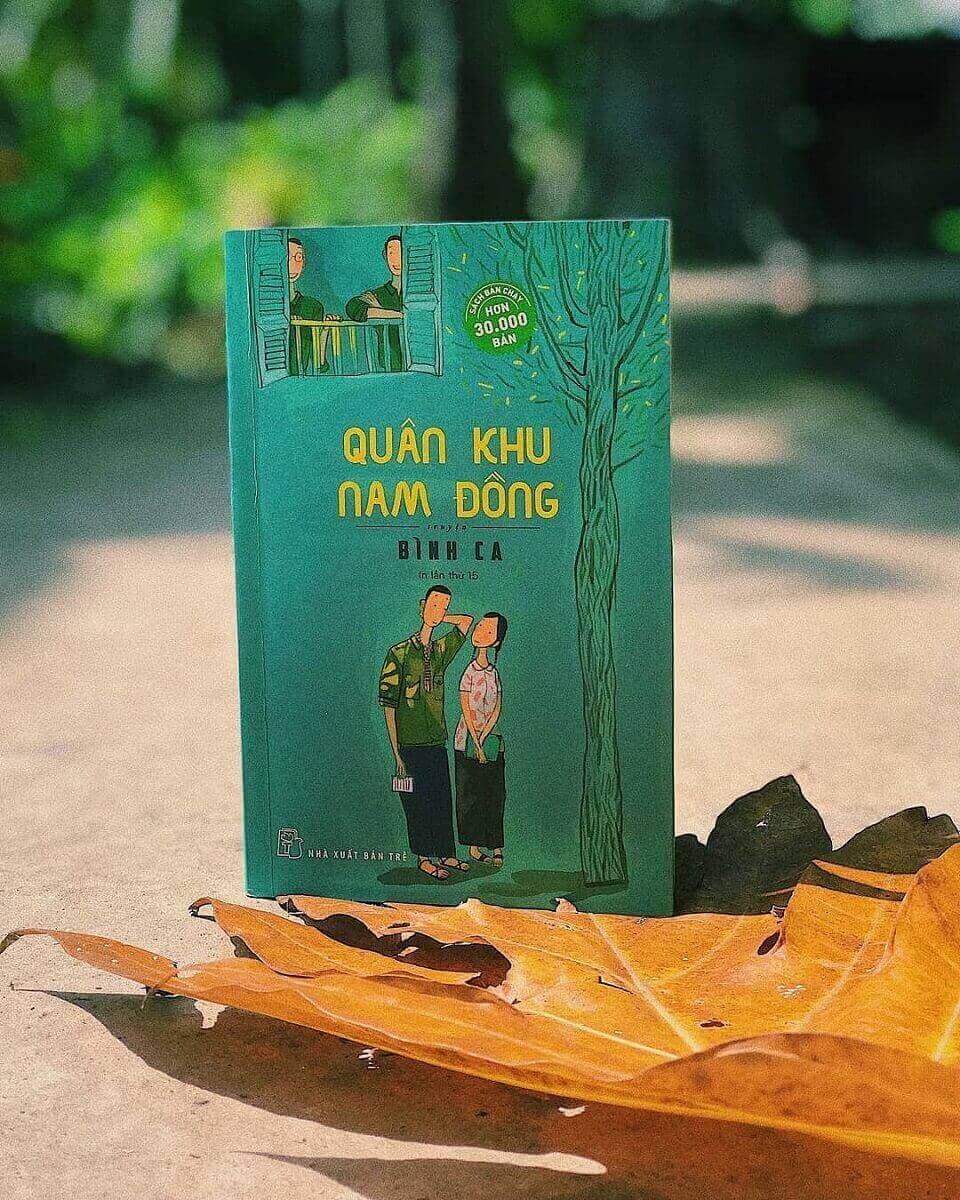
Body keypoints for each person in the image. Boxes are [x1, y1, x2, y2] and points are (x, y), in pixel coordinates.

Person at [378, 586, 473, 880]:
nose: (438, 611)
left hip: (436, 740)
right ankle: (423, 859)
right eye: (433, 605)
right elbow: (389, 706)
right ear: (421, 607)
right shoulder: (399, 653)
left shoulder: (441, 650)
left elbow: (466, 622)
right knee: (417, 803)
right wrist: (396, 754)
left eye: (444, 607)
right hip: (409, 745)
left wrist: (442, 618)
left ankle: (446, 854)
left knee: (441, 798)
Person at [454, 612, 508, 868]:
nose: (479, 632)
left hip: (490, 742)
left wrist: (485, 737)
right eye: (479, 627)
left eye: (488, 631)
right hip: (466, 741)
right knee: (470, 796)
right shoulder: (469, 672)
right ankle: (474, 849)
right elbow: (465, 709)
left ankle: (496, 846)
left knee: (494, 795)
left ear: (495, 641)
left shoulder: (494, 673)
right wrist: (476, 743)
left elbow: (497, 707)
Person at [345, 234, 405, 372]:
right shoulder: (379, 294)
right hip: (388, 360)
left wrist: (378, 308)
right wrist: (399, 315)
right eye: (391, 253)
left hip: (417, 356)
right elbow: (353, 307)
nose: (395, 259)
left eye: (400, 252)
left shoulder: (418, 293)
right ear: (385, 256)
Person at [287, 237, 336, 374]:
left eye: (298, 257)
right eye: (287, 257)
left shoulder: (313, 306)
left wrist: (325, 329)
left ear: (304, 263)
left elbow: (318, 362)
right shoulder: (269, 305)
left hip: (301, 378)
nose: (293, 264)